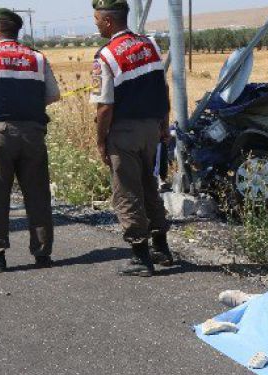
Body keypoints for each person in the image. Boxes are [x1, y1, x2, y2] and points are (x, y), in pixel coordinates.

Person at [0, 8, 61, 273]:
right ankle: (42, 253)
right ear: (16, 32)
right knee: (37, 193)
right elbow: (53, 95)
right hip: (33, 132)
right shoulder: (38, 58)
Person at [91, 0, 173, 277]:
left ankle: (140, 257)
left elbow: (104, 106)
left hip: (124, 131)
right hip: (151, 128)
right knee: (149, 184)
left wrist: (101, 141)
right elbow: (162, 87)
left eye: (97, 19)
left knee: (127, 191)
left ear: (108, 21)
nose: (96, 24)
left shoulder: (106, 55)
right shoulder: (150, 45)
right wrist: (163, 123)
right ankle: (161, 248)